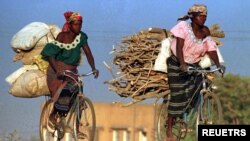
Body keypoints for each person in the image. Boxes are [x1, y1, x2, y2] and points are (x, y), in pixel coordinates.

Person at [165, 4, 225, 141]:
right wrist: (181, 63)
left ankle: (188, 115)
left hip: (193, 65)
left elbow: (210, 48)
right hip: (177, 63)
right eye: (200, 16)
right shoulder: (183, 27)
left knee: (197, 88)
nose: (203, 18)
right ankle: (169, 130)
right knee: (177, 94)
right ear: (192, 17)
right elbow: (179, 47)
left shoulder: (205, 31)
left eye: (205, 16)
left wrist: (218, 65)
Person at [41, 11, 99, 134]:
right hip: (56, 70)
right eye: (76, 24)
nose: (79, 27)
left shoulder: (82, 37)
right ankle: (52, 116)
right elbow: (51, 55)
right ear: (70, 25)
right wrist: (57, 70)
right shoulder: (62, 37)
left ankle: (76, 128)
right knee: (65, 92)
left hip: (72, 71)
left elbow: (88, 53)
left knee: (78, 94)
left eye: (80, 24)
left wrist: (93, 68)